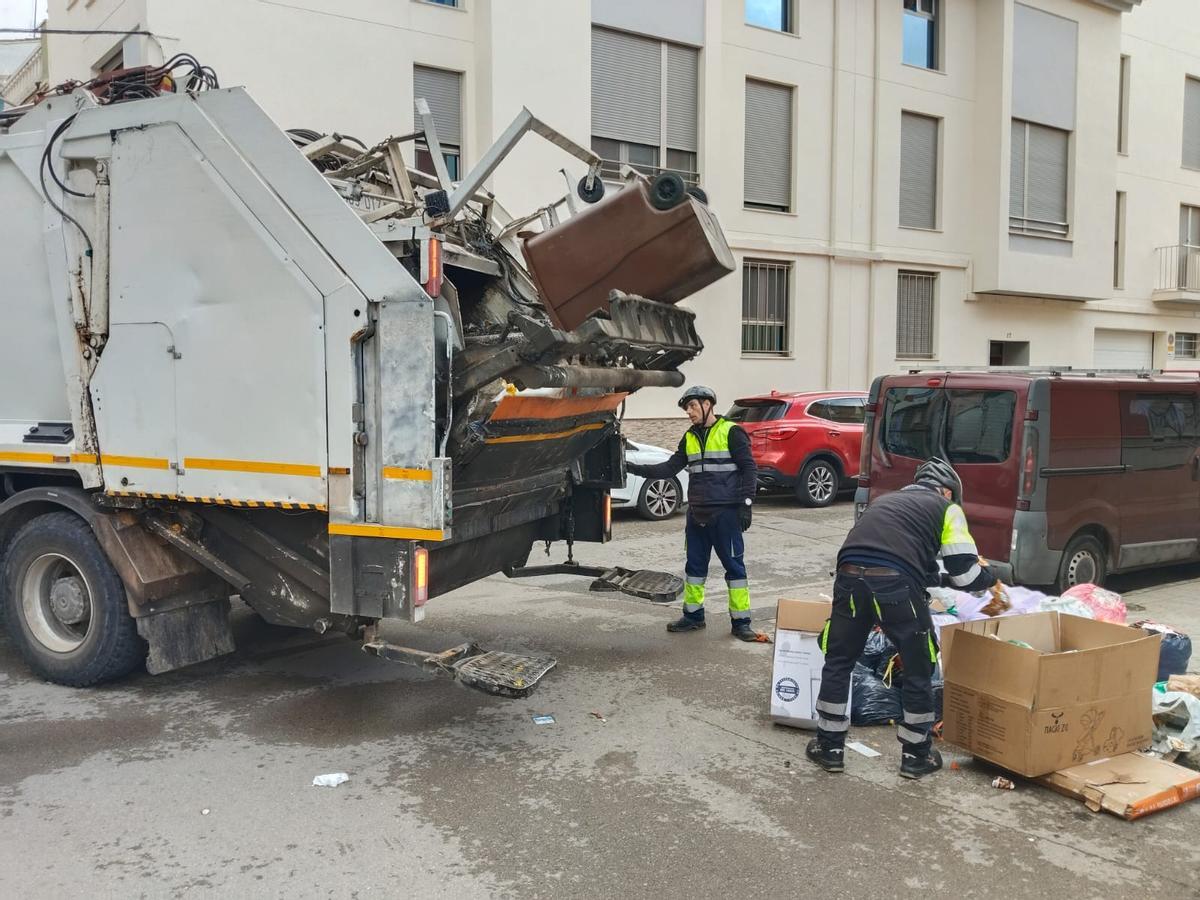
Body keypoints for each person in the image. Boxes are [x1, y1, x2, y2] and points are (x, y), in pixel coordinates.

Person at [806, 457, 1003, 779]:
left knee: (839, 660)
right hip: (894, 586)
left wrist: (938, 579)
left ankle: (829, 748)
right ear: (948, 492)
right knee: (918, 666)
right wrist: (991, 575)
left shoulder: (887, 502)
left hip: (849, 576)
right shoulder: (946, 509)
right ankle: (916, 755)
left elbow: (905, 561)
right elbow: (966, 575)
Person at [625, 385, 764, 641]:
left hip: (726, 515)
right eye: (686, 408)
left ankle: (741, 622)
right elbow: (668, 468)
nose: (688, 412)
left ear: (707, 404)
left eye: (691, 406)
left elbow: (749, 469)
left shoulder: (732, 432)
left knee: (735, 569)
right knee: (694, 569)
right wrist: (632, 468)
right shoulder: (688, 438)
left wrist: (746, 504)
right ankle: (693, 616)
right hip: (697, 515)